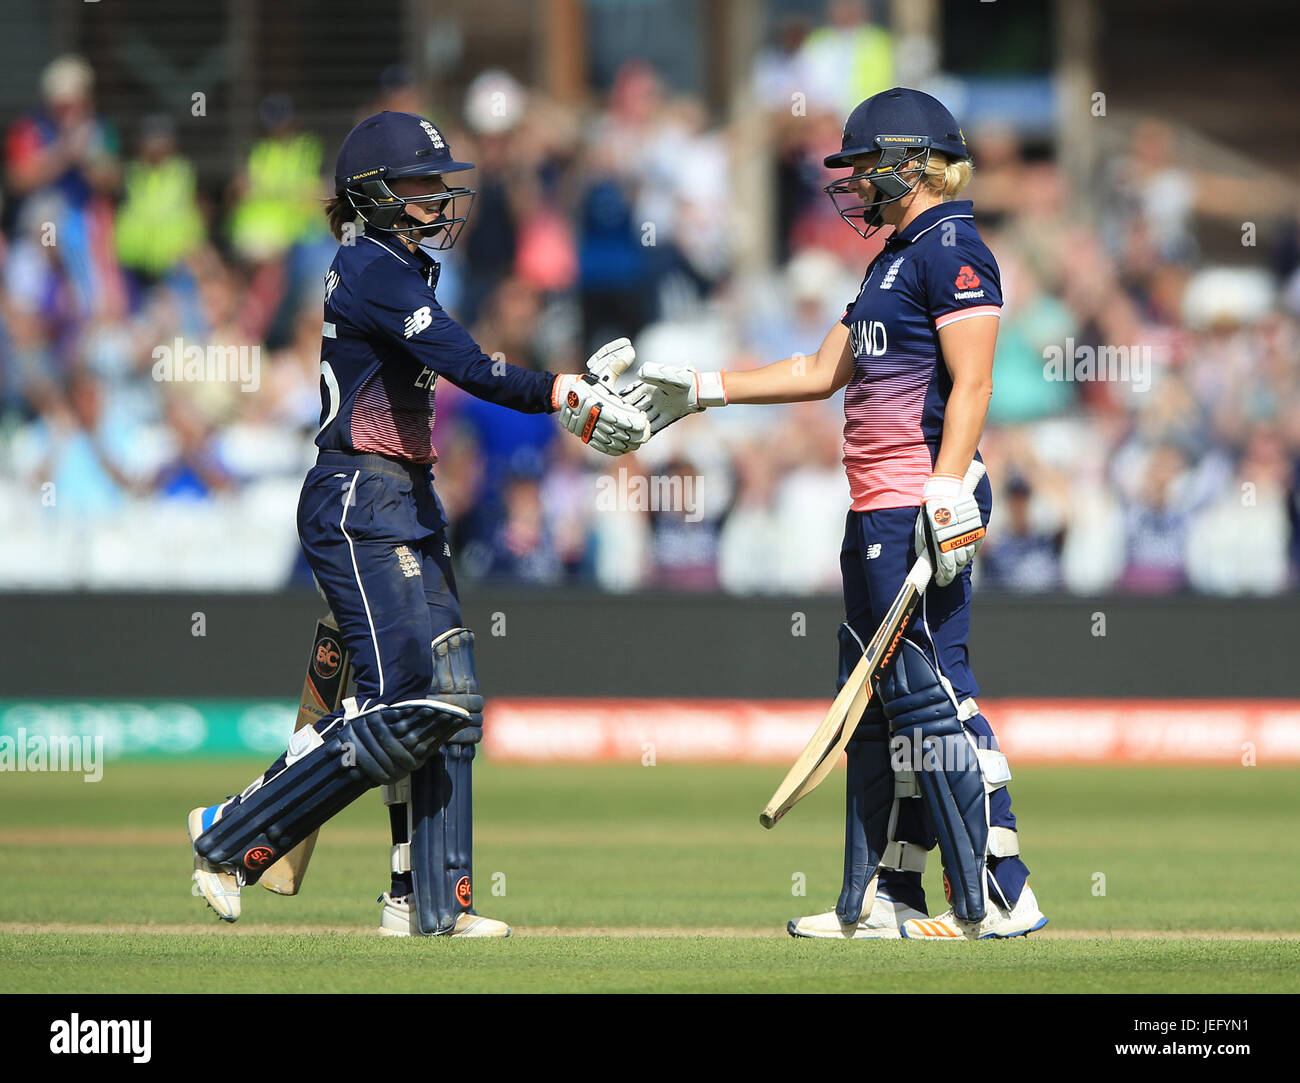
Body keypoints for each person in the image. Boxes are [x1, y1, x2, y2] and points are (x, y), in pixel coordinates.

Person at [187, 110, 649, 936]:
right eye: (419, 186)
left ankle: (429, 899)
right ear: (371, 195)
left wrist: (567, 386)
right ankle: (230, 834)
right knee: (405, 703)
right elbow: (470, 366)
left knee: (453, 697)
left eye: (441, 184)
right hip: (359, 500)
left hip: (404, 494)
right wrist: (565, 393)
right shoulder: (372, 267)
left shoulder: (398, 266)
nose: (438, 200)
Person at [626, 88, 1047, 940]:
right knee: (880, 709)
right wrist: (702, 389)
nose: (852, 185)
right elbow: (823, 371)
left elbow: (974, 381)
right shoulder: (892, 258)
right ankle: (888, 895)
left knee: (934, 694)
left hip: (923, 499)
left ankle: (1003, 888)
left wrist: (950, 483)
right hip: (875, 509)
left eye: (863, 167)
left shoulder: (955, 247)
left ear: (910, 163)